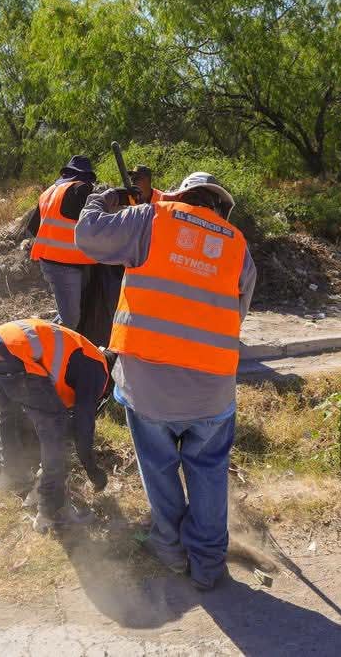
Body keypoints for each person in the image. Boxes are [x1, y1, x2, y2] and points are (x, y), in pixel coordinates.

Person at [76, 172, 256, 591]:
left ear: (182, 195)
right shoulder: (237, 244)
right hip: (211, 389)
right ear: (221, 208)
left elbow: (88, 236)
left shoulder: (152, 217)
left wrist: (104, 199)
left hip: (148, 385)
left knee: (159, 467)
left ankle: (171, 550)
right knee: (208, 473)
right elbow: (238, 312)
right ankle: (207, 565)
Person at [0, 317, 113, 532]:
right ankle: (52, 512)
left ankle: (12, 476)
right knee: (56, 427)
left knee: (9, 413)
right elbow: (83, 427)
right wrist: (92, 470)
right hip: (16, 353)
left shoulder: (85, 352)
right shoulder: (97, 370)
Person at [28, 155, 98, 329]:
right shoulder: (79, 189)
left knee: (72, 314)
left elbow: (33, 228)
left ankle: (59, 343)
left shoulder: (49, 192)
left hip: (55, 262)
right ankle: (40, 341)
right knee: (70, 320)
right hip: (64, 266)